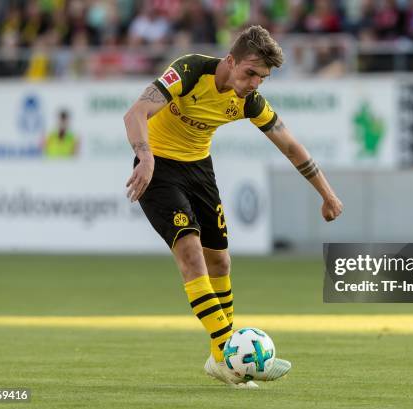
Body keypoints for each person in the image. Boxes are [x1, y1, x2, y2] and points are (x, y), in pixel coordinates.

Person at [123, 25, 343, 388]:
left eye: (263, 78)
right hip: (158, 169)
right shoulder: (192, 70)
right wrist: (144, 157)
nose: (255, 82)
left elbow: (290, 145)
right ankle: (229, 353)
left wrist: (328, 194)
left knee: (221, 261)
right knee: (191, 252)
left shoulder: (249, 101)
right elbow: (136, 113)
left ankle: (218, 359)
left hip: (199, 170)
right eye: (250, 73)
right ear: (231, 61)